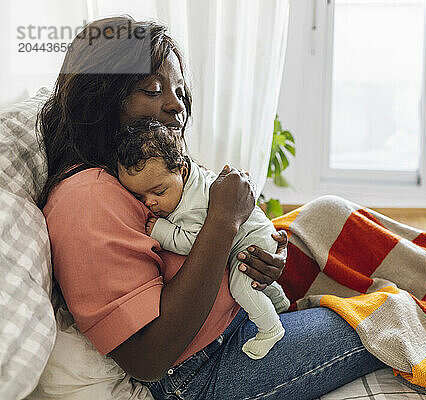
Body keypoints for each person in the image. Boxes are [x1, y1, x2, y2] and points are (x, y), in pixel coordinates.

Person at [39, 17, 385, 399]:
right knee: (388, 320)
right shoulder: (87, 200)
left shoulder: (131, 166)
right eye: (153, 90)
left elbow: (199, 230)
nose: (176, 106)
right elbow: (148, 359)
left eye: (180, 92)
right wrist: (224, 220)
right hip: (200, 370)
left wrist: (258, 250)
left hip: (233, 315)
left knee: (329, 217)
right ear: (101, 98)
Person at [115, 119, 289, 360]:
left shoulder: (192, 203)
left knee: (240, 287)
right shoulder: (188, 181)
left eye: (159, 191)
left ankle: (270, 329)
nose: (149, 203)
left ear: (182, 171)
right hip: (257, 233)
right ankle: (280, 302)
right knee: (253, 282)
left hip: (251, 241)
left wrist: (162, 231)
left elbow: (199, 243)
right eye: (139, 196)